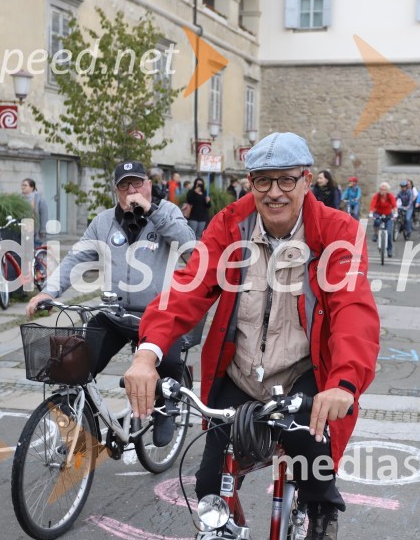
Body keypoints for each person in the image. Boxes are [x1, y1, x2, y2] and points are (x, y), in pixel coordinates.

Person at [122, 132, 379, 540]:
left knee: (312, 461)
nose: (274, 192)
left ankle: (322, 517)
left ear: (306, 181)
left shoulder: (337, 231)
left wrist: (344, 384)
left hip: (302, 374)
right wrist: (147, 354)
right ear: (251, 182)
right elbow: (187, 288)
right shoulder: (231, 225)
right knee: (210, 488)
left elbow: (353, 311)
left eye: (286, 180)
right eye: (263, 180)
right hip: (240, 374)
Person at [26, 160, 196, 445]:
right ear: (116, 191)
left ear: (149, 185)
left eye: (137, 183)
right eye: (124, 185)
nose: (132, 190)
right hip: (115, 313)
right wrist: (49, 292)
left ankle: (166, 408)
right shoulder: (104, 222)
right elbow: (75, 259)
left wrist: (153, 213)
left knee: (169, 361)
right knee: (78, 363)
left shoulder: (167, 212)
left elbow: (191, 249)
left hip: (159, 314)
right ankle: (86, 414)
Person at [369, 182, 397, 257]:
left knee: (389, 233)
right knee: (377, 221)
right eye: (381, 189)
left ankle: (389, 249)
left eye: (384, 189)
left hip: (388, 214)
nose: (382, 191)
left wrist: (395, 213)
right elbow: (372, 204)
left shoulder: (390, 196)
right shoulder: (377, 196)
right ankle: (375, 234)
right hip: (378, 213)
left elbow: (394, 205)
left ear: (387, 190)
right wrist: (371, 213)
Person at [20, 178, 49, 246]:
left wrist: (43, 230)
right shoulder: (19, 198)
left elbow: (44, 215)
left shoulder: (39, 199)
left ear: (32, 187)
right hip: (22, 231)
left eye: (25, 185)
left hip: (35, 231)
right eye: (22, 185)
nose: (23, 187)